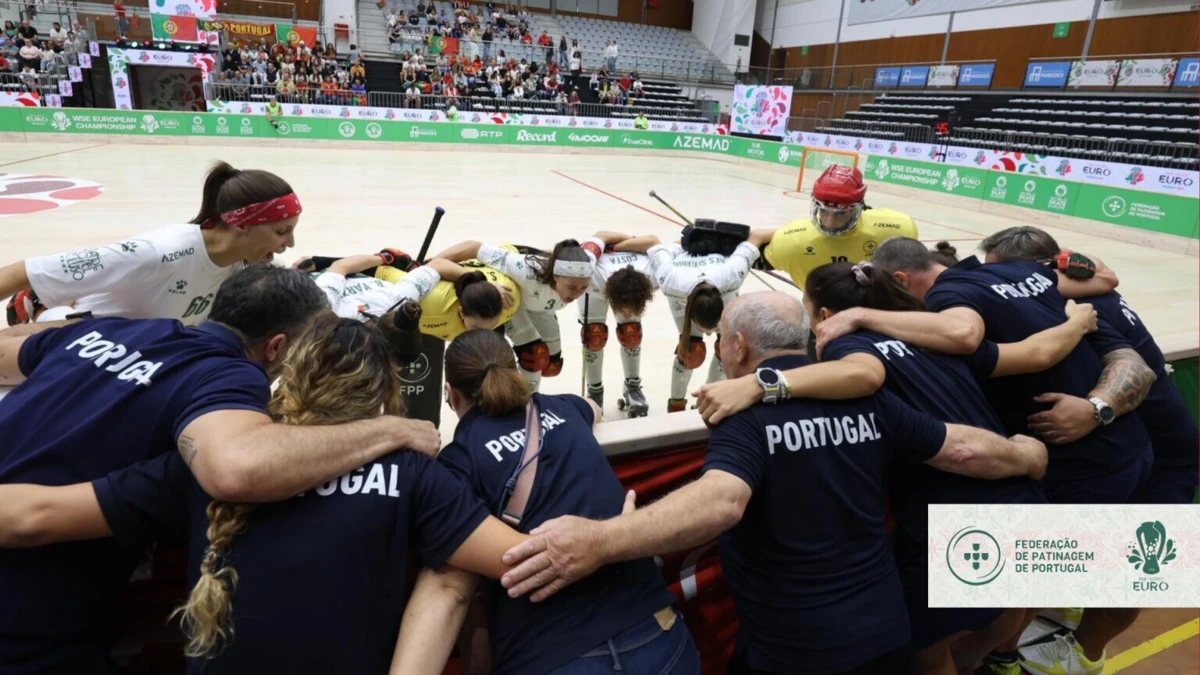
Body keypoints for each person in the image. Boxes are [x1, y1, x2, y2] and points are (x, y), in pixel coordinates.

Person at [497, 292, 1047, 675]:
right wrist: (1025, 456)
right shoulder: (867, 400)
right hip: (886, 632)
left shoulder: (745, 416)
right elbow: (964, 448)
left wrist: (597, 542)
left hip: (796, 648)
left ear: (736, 346)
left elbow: (722, 502)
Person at [0, 313, 526, 674]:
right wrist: (606, 535)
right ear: (385, 389)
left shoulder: (199, 465)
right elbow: (515, 559)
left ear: (286, 376)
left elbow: (34, 517)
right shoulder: (410, 470)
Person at [696, 263, 1096, 674]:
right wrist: (1078, 324)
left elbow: (866, 375)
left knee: (925, 653)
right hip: (1024, 496)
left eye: (811, 311)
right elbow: (1033, 353)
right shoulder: (934, 333)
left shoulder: (843, 350)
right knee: (1011, 612)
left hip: (958, 515)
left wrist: (761, 383)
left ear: (827, 318)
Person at [834, 236, 1156, 675]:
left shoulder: (950, 300)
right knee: (1076, 567)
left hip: (1087, 457)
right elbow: (1104, 276)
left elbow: (972, 339)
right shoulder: (1017, 272)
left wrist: (859, 314)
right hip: (1136, 440)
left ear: (903, 281)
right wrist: (1076, 323)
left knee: (1058, 573)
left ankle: (1038, 656)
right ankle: (1009, 653)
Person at [390, 328, 701, 674]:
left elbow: (451, 586)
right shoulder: (564, 407)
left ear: (450, 393)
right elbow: (593, 407)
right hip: (655, 634)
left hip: (549, 652)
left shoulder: (457, 462)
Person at [975, 227, 1198, 675]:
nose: (999, 289)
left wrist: (1098, 409)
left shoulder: (1082, 306)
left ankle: (1084, 655)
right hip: (1132, 446)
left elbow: (1134, 372)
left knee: (1137, 568)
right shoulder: (1068, 293)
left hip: (1163, 452)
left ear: (1040, 272)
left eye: (1007, 276)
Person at [3, 162, 299, 328]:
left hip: (141, 349)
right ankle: (44, 303)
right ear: (242, 223)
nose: (290, 243)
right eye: (281, 231)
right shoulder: (160, 252)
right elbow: (23, 270)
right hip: (86, 335)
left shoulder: (240, 266)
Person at [617, 229, 772, 412]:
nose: (707, 334)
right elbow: (653, 242)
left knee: (727, 349)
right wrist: (611, 247)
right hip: (683, 292)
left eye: (713, 329)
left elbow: (757, 235)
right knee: (690, 350)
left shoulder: (733, 274)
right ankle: (676, 405)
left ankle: (709, 398)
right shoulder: (670, 281)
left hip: (722, 285)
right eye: (706, 329)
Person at [434, 237, 606, 392]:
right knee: (534, 356)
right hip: (512, 300)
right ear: (555, 277)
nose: (576, 294)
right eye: (571, 287)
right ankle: (522, 404)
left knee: (551, 365)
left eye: (583, 288)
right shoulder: (524, 270)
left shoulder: (588, 268)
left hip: (539, 304)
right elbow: (472, 247)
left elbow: (602, 235)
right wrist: (428, 264)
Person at [759, 165, 919, 288]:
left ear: (858, 209)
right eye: (823, 211)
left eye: (840, 214)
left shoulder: (896, 229)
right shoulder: (790, 240)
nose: (829, 222)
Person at [579, 233, 657, 416]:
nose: (629, 313)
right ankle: (595, 390)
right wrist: (609, 244)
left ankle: (632, 385)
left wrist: (625, 243)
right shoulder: (588, 272)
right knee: (593, 336)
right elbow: (600, 235)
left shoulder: (653, 275)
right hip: (597, 281)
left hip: (628, 280)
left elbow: (654, 240)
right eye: (625, 308)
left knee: (631, 334)